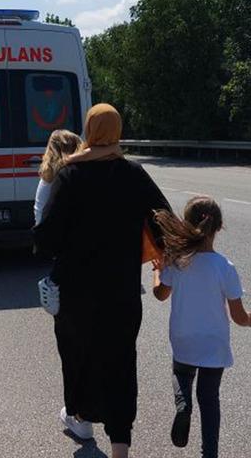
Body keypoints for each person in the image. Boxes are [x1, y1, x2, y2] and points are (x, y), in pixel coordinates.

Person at [34, 104, 170, 458]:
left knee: (78, 356)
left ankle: (80, 415)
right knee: (121, 363)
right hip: (122, 293)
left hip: (76, 294)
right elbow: (166, 225)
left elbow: (45, 240)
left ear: (90, 130)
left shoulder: (69, 176)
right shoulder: (134, 174)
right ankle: (120, 446)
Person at [151, 196, 251, 458]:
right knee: (209, 400)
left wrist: (157, 270)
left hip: (183, 339)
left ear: (186, 225)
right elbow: (239, 315)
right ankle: (209, 453)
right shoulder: (224, 267)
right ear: (219, 228)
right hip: (213, 343)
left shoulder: (177, 261)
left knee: (181, 376)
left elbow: (160, 295)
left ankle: (182, 404)